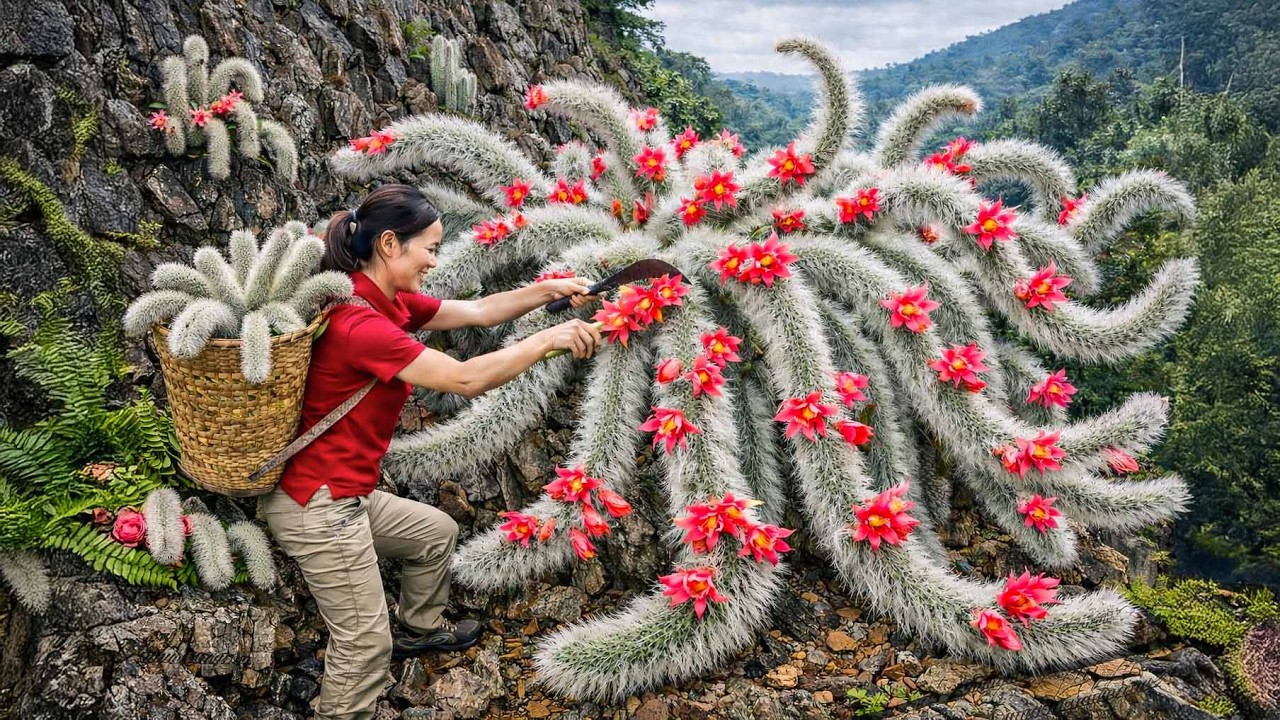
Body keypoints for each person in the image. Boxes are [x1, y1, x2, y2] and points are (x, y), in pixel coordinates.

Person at [260, 183, 603, 720]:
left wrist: (548, 289)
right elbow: (466, 379)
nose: (434, 260)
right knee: (364, 644)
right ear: (391, 244)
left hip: (343, 494)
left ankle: (419, 630)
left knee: (435, 533)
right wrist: (547, 339)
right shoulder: (360, 326)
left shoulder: (378, 298)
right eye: (431, 248)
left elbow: (480, 311)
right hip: (319, 506)